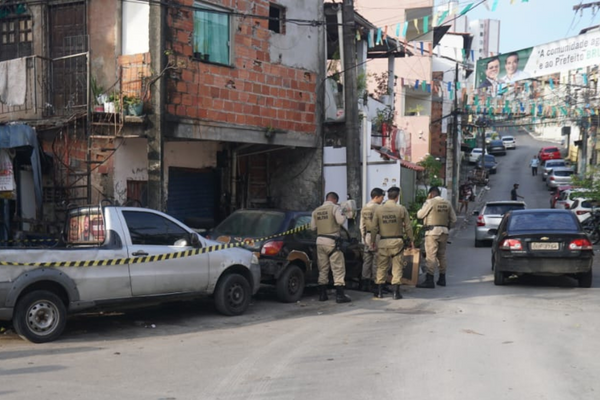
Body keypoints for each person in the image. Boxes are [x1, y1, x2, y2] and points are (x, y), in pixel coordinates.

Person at [370, 186, 414, 300]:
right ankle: (396, 293)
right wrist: (411, 240)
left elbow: (374, 228)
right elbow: (408, 227)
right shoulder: (401, 209)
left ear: (388, 196)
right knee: (397, 267)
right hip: (397, 242)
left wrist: (372, 241)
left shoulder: (379, 209)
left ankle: (379, 292)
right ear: (397, 197)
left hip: (383, 241)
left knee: (381, 267)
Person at [310, 192, 351, 303]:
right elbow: (341, 221)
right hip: (332, 242)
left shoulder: (316, 211)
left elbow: (312, 227)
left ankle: (322, 295)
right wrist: (344, 212)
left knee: (323, 268)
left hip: (320, 241)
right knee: (338, 268)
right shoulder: (334, 208)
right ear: (334, 200)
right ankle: (340, 295)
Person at [416, 186, 457, 288]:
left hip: (432, 232)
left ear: (431, 193)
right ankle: (442, 279)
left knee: (431, 256)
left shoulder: (430, 202)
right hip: (444, 232)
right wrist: (446, 227)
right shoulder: (447, 203)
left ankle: (429, 280)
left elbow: (420, 215)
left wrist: (426, 201)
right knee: (441, 255)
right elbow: (454, 219)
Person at [359, 187, 385, 292]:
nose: (383, 200)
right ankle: (376, 284)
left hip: (367, 236)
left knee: (367, 260)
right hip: (377, 236)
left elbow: (361, 225)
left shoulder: (365, 207)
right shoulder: (379, 208)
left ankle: (364, 283)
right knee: (377, 261)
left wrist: (364, 237)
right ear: (376, 197)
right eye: (382, 197)